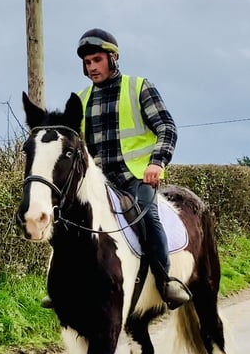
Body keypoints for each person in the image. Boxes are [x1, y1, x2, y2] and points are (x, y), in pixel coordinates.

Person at [47, 28, 190, 309]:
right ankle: (61, 285)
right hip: (100, 182)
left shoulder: (138, 87)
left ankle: (165, 281)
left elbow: (166, 127)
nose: (91, 68)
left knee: (148, 216)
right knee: (64, 220)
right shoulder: (82, 98)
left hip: (136, 176)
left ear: (113, 59)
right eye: (87, 63)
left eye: (97, 60)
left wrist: (156, 163)